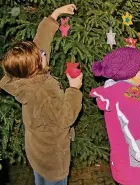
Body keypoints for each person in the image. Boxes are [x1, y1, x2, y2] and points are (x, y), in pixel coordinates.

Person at [0, 4, 83, 185]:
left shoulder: (22, 79)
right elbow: (66, 116)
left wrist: (55, 14)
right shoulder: (42, 91)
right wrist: (74, 89)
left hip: (37, 154)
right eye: (42, 55)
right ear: (36, 66)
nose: (44, 53)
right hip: (54, 159)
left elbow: (41, 41)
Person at [90, 47, 140, 185]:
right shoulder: (128, 100)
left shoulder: (115, 93)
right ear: (133, 73)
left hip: (124, 165)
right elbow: (138, 138)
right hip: (138, 171)